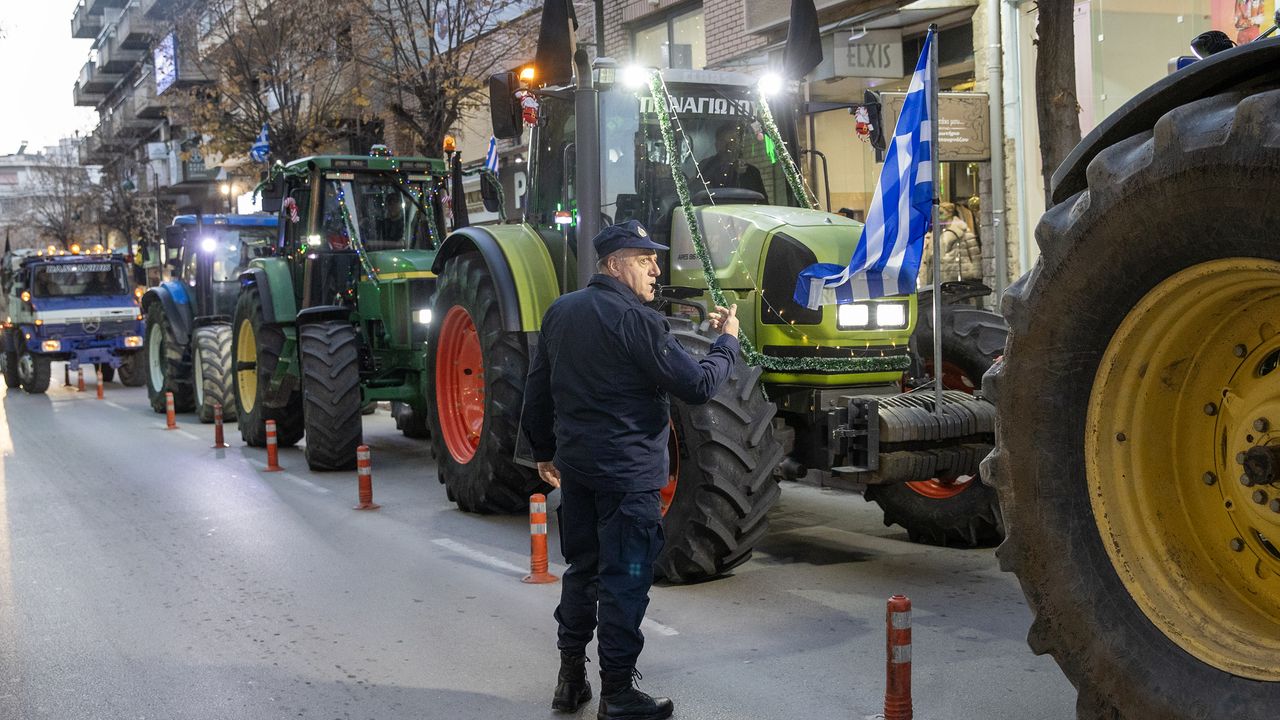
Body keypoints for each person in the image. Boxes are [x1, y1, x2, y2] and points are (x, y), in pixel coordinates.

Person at [522, 220, 741, 720]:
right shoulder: (638, 321)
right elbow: (698, 386)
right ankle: (618, 694)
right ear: (615, 264)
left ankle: (570, 680)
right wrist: (727, 341)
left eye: (655, 260)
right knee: (626, 580)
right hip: (629, 480)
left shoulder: (561, 311)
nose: (656, 269)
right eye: (645, 260)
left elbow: (538, 387)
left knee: (583, 571)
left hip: (578, 473)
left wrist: (544, 451)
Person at [696, 124, 768, 201]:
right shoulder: (705, 166)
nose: (728, 146)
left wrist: (742, 175)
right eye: (723, 141)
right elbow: (698, 196)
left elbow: (762, 202)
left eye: (733, 141)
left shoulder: (752, 172)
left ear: (739, 145)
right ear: (716, 145)